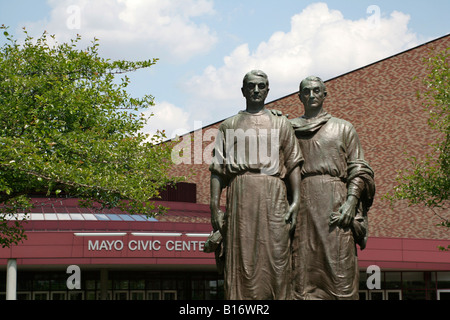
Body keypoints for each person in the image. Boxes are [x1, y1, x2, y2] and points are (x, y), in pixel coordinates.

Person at [208, 70, 303, 300]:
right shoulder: (228, 125)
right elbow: (218, 170)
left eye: (261, 86)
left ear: (268, 90)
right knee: (243, 257)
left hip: (274, 193)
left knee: (277, 255)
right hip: (241, 192)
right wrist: (214, 206)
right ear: (243, 91)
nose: (256, 90)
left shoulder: (281, 123)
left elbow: (293, 163)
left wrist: (296, 200)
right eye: (251, 86)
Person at [290, 76, 375, 300]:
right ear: (299, 96)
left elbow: (360, 169)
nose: (311, 95)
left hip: (335, 206)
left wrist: (351, 202)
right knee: (302, 275)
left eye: (316, 90)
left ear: (325, 94)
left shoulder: (343, 128)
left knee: (341, 276)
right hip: (303, 209)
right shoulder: (289, 130)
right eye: (306, 91)